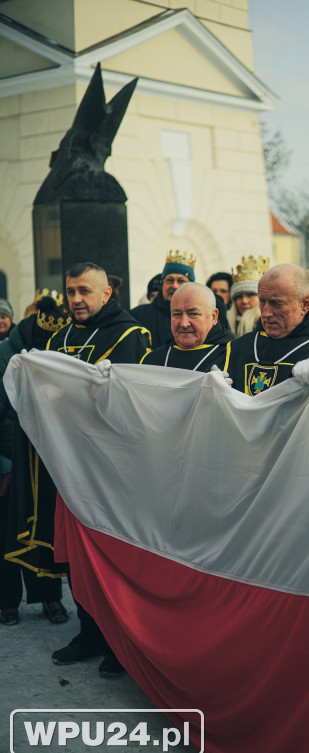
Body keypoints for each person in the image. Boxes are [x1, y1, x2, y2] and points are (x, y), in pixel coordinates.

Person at [47, 262, 151, 678]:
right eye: (70, 291)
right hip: (69, 466)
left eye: (84, 291)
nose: (75, 299)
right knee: (77, 560)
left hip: (113, 473)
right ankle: (88, 631)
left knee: (112, 559)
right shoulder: (59, 337)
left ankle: (118, 642)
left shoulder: (129, 335)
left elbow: (137, 405)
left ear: (106, 294)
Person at [0, 294, 70, 626]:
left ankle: (50, 598)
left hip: (46, 462)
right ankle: (6, 600)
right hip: (9, 462)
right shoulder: (4, 354)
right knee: (5, 533)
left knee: (43, 529)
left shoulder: (58, 354)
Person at [224, 263, 309, 395]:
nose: (265, 313)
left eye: (276, 303)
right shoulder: (238, 348)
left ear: (305, 304)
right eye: (262, 302)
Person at [142, 283, 230, 370]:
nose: (184, 324)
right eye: (177, 314)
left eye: (193, 314)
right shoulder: (151, 361)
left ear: (213, 317)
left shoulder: (232, 358)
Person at [226, 256, 269, 339]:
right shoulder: (225, 326)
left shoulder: (269, 326)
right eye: (239, 297)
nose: (244, 301)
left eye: (250, 295)